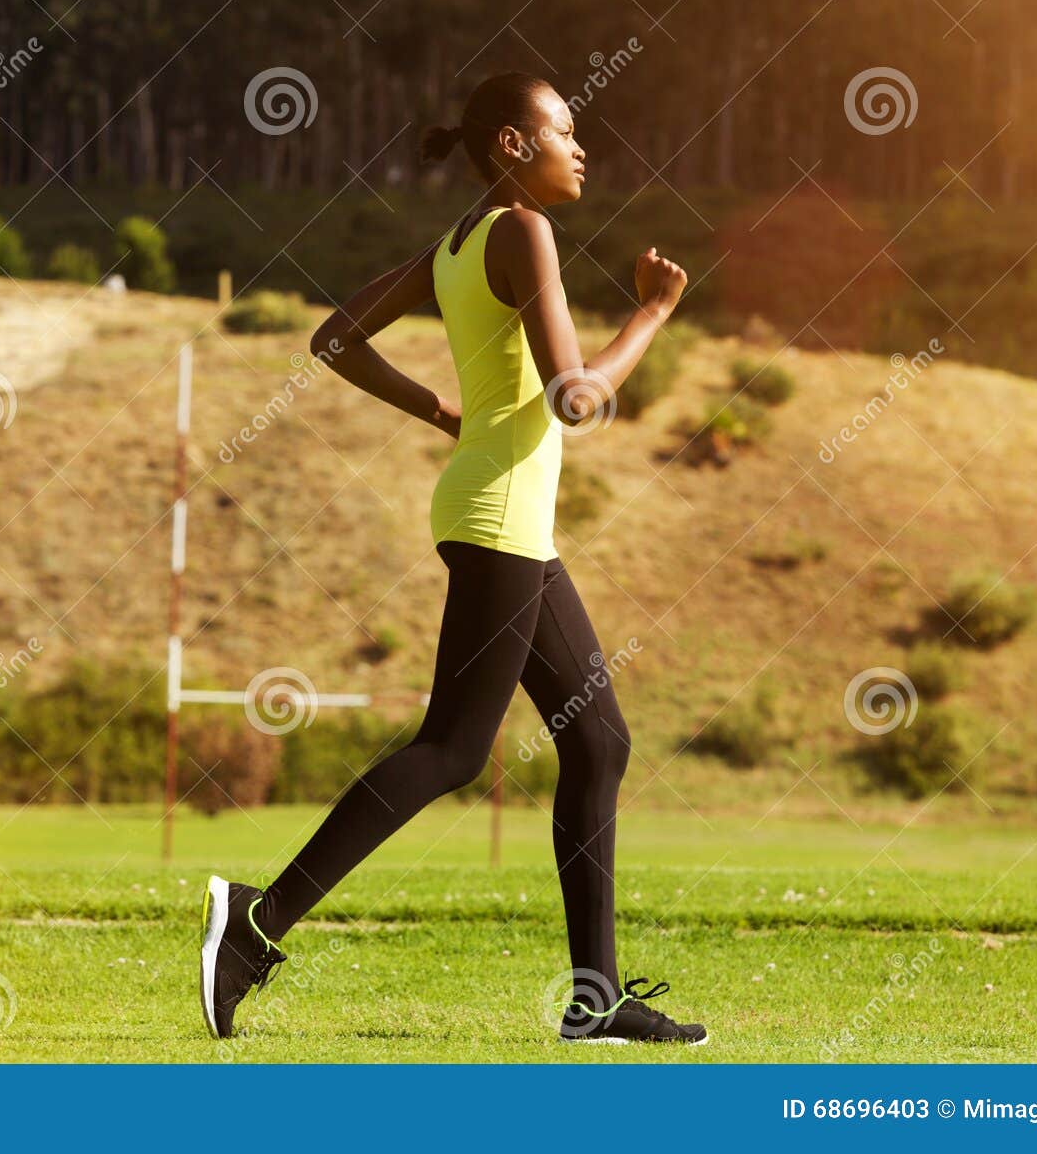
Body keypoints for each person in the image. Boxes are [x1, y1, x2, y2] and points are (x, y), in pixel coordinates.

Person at [200, 71, 706, 1046]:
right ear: (513, 147)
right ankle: (253, 927)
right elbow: (574, 398)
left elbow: (334, 336)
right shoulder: (522, 231)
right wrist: (650, 316)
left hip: (499, 513)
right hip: (498, 517)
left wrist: (443, 412)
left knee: (597, 740)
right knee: (451, 749)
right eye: (564, 129)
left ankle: (594, 997)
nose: (581, 145)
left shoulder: (453, 245)